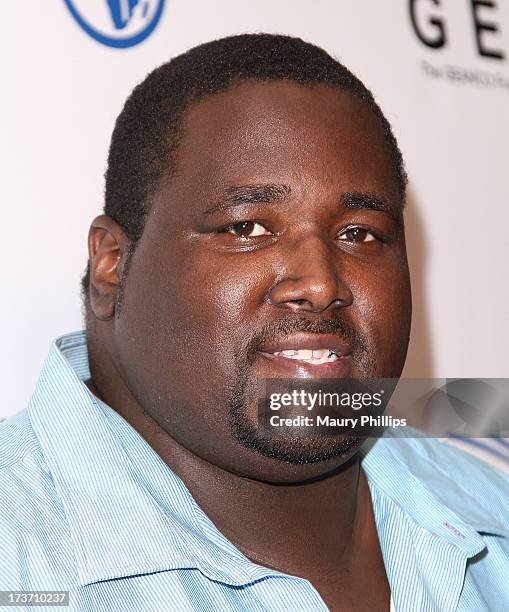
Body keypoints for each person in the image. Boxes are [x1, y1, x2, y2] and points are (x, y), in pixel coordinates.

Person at [1, 34, 508, 612]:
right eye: (247, 229)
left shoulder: (492, 511)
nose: (320, 282)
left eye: (360, 233)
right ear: (112, 265)